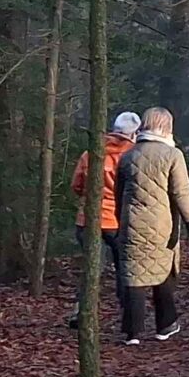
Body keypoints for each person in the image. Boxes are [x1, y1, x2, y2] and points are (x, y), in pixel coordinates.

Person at [116, 108, 189, 346]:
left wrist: (120, 219)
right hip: (163, 225)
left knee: (134, 276)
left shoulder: (129, 156)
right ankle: (166, 324)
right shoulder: (173, 155)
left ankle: (132, 332)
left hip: (132, 223)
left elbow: (119, 193)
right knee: (163, 272)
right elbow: (181, 192)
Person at [66, 111, 138, 331]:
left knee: (92, 269)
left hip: (89, 219)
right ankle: (128, 313)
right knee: (124, 268)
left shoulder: (92, 153)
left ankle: (82, 311)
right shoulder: (134, 155)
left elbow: (77, 185)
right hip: (119, 220)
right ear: (134, 133)